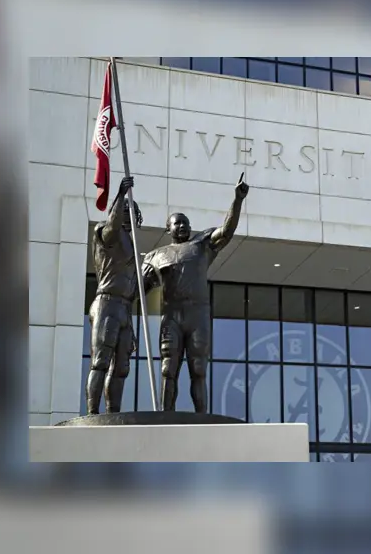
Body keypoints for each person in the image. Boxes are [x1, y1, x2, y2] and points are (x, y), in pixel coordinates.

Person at [142, 175, 249, 412]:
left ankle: (202, 416)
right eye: (177, 223)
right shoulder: (155, 256)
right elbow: (138, 292)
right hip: (171, 317)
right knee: (168, 370)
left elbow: (227, 231)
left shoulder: (202, 245)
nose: (183, 226)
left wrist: (237, 200)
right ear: (167, 228)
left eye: (186, 223)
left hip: (197, 315)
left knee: (198, 369)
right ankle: (165, 415)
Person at [87, 176, 142, 414]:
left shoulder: (131, 243)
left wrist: (130, 320)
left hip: (123, 308)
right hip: (107, 303)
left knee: (121, 367)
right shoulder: (106, 233)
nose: (130, 214)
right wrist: (120, 195)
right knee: (100, 362)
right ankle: (92, 412)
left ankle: (113, 413)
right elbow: (112, 225)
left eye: (133, 209)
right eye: (126, 209)